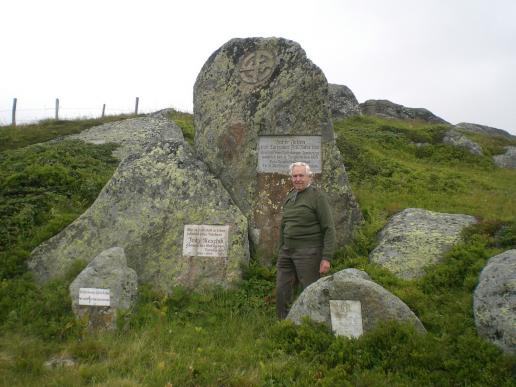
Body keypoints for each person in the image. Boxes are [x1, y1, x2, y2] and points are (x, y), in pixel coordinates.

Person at [276, 161, 336, 319]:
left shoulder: (317, 197)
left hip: (309, 252)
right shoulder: (290, 197)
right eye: (294, 176)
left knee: (310, 291)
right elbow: (284, 225)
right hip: (287, 252)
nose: (297, 179)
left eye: (301, 175)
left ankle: (313, 324)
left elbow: (329, 228)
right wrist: (281, 249)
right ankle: (284, 325)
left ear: (309, 176)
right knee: (282, 290)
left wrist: (326, 258)